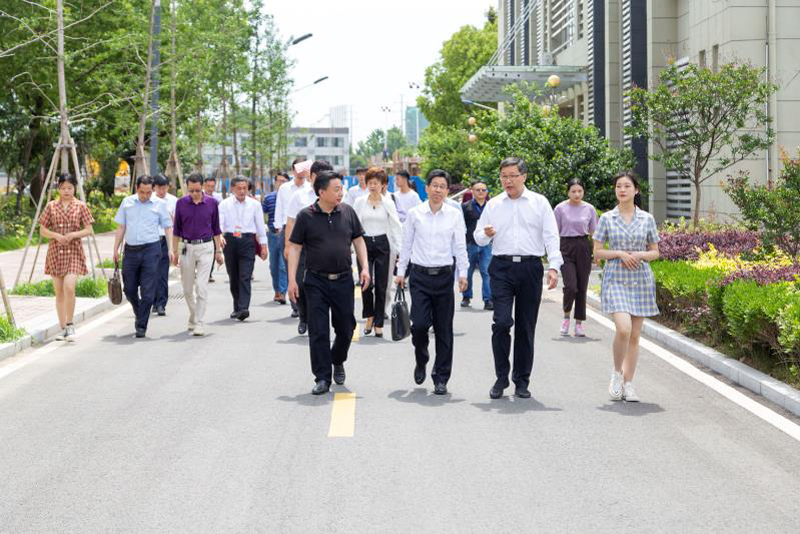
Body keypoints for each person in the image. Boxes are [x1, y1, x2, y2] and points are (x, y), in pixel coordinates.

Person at [474, 157, 562, 400]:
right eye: (504, 176)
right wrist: (485, 234)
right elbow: (478, 236)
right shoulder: (494, 204)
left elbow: (551, 236)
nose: (508, 181)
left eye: (512, 175)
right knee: (501, 322)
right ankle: (501, 377)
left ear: (524, 176)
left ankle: (522, 381)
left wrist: (554, 267)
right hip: (501, 267)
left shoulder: (539, 203)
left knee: (525, 326)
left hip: (530, 268)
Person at [287, 171, 370, 395]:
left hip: (343, 279)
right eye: (336, 189)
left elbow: (358, 240)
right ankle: (322, 377)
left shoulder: (348, 212)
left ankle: (337, 359)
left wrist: (365, 267)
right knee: (318, 331)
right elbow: (295, 248)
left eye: (341, 189)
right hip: (316, 281)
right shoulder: (306, 216)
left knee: (346, 327)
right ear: (321, 192)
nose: (341, 193)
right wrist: (292, 280)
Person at [395, 169, 468, 396]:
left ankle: (441, 377)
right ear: (426, 188)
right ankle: (422, 357)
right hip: (420, 277)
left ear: (447, 191)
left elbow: (460, 246)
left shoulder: (454, 215)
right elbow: (406, 245)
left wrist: (463, 274)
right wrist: (400, 272)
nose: (438, 190)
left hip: (444, 276)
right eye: (434, 185)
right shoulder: (415, 214)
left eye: (442, 186)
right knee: (419, 325)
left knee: (444, 329)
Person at [592, 172, 660, 403]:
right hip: (616, 278)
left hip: (640, 279)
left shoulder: (647, 219)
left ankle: (628, 383)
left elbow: (655, 252)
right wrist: (620, 253)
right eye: (618, 186)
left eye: (627, 186)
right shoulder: (607, 218)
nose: (622, 190)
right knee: (623, 329)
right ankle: (616, 373)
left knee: (635, 336)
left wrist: (639, 255)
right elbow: (597, 252)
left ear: (636, 190)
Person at [112, 175, 174, 338]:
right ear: (136, 189)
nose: (145, 196)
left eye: (148, 192)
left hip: (151, 250)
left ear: (152, 190)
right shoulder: (127, 202)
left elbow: (168, 227)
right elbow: (121, 227)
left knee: (148, 291)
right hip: (131, 250)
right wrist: (115, 249)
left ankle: (141, 326)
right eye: (142, 192)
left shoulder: (159, 204)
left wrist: (171, 249)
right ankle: (139, 311)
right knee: (129, 289)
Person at [38, 173, 95, 342]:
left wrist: (73, 235)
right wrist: (55, 235)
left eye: (70, 188)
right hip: (55, 252)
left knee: (69, 287)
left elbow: (88, 230)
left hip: (74, 251)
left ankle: (70, 325)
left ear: (75, 188)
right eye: (63, 188)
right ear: (58, 188)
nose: (67, 191)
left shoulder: (81, 206)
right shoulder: (51, 206)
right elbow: (42, 230)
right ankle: (63, 328)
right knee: (59, 292)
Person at [283, 160, 334, 335]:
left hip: (324, 249)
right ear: (311, 176)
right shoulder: (299, 196)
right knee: (301, 282)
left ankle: (317, 319)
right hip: (302, 247)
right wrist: (288, 245)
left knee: (321, 285)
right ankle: (303, 316)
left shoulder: (334, 195)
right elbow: (290, 221)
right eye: (319, 176)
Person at [171, 173, 224, 336]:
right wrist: (175, 252)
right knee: (187, 289)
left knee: (201, 286)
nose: (194, 193)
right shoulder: (181, 203)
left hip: (206, 247)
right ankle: (194, 316)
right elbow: (176, 230)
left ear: (202, 187)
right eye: (191, 190)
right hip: (187, 247)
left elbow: (216, 229)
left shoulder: (212, 203)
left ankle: (199, 322)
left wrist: (218, 251)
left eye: (197, 190)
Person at [353, 167, 403, 338]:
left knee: (382, 285)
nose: (373, 186)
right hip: (364, 244)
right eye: (370, 183)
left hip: (383, 244)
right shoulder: (360, 202)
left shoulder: (388, 202)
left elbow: (396, 226)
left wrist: (400, 250)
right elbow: (354, 225)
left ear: (383, 185)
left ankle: (379, 322)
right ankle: (369, 316)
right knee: (366, 283)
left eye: (376, 183)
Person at [218, 176, 268, 321]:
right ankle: (237, 307)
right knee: (233, 276)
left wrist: (263, 246)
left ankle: (244, 308)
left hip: (247, 241)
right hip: (230, 241)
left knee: (245, 275)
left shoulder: (255, 205)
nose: (242, 191)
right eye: (239, 188)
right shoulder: (224, 204)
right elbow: (219, 224)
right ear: (233, 188)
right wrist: (219, 238)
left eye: (244, 188)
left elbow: (260, 226)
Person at [554, 178, 599, 337]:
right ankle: (566, 317)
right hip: (565, 247)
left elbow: (594, 233)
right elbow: (554, 233)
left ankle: (579, 323)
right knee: (571, 286)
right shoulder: (560, 208)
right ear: (568, 192)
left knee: (582, 286)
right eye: (573, 191)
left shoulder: (589, 209)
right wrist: (553, 254)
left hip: (583, 247)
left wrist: (597, 252)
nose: (577, 194)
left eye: (580, 191)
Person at [275, 159, 311, 318]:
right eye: (298, 168)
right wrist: (279, 229)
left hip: (306, 233)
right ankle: (296, 305)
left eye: (304, 168)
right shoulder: (284, 188)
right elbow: (280, 209)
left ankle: (306, 304)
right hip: (288, 230)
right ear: (293, 170)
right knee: (290, 268)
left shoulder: (310, 188)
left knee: (305, 269)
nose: (301, 171)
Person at [461, 179, 493, 310]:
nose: (481, 192)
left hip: (487, 244)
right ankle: (466, 296)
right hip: (471, 244)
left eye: (483, 190)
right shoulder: (465, 207)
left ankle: (488, 299)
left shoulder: (492, 206)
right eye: (478, 190)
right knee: (468, 272)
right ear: (472, 191)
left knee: (486, 272)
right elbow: (461, 226)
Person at [152, 174, 178, 316]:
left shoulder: (173, 201)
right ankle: (153, 301)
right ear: (154, 187)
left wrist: (173, 247)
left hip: (165, 240)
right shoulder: (149, 200)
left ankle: (161, 304)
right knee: (151, 273)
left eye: (164, 188)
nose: (162, 191)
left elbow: (177, 223)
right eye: (159, 188)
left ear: (168, 187)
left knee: (162, 273)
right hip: (150, 240)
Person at [263, 171, 289, 304]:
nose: (281, 183)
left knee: (283, 265)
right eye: (279, 181)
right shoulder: (269, 198)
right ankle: (277, 291)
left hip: (286, 234)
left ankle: (283, 293)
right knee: (274, 265)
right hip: (272, 235)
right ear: (275, 182)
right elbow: (262, 213)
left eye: (284, 181)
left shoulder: (291, 197)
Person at [202, 176, 222, 283]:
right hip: (202, 229)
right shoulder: (198, 196)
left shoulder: (217, 199)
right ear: (204, 186)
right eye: (208, 186)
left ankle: (209, 273)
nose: (210, 188)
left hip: (213, 229)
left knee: (213, 250)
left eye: (212, 186)